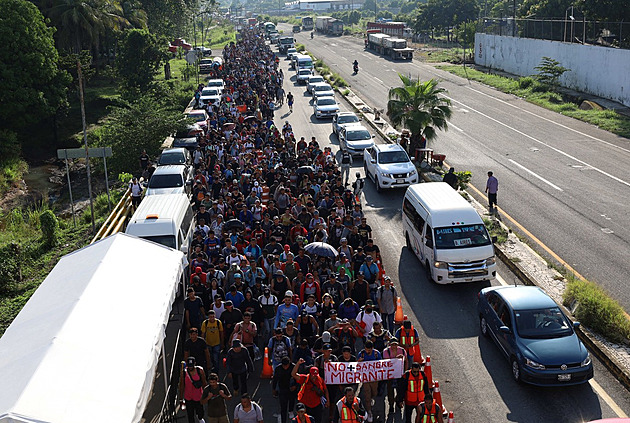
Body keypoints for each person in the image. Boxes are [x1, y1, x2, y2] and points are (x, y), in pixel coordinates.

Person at [292, 359, 330, 423]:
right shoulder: (305, 378)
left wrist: (328, 401)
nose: (314, 377)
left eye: (315, 375)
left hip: (317, 405)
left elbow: (325, 390)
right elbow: (293, 374)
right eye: (313, 375)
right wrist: (298, 363)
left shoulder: (320, 380)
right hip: (306, 405)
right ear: (310, 373)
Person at [357, 341, 381, 422]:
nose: (367, 351)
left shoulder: (376, 354)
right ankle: (369, 411)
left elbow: (381, 364)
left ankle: (370, 399)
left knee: (374, 393)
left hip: (374, 378)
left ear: (372, 348)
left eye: (369, 350)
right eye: (366, 350)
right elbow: (357, 366)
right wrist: (359, 362)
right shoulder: (361, 354)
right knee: (367, 395)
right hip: (366, 378)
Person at [180, 356, 207, 423]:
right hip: (188, 397)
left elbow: (204, 382)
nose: (190, 367)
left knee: (200, 413)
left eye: (192, 366)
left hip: (198, 396)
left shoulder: (200, 370)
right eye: (189, 366)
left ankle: (200, 418)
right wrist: (181, 398)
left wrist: (206, 395)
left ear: (195, 363)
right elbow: (182, 385)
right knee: (190, 415)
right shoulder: (184, 373)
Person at [382, 339, 407, 412]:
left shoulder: (402, 350)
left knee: (400, 390)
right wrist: (396, 359)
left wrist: (405, 372)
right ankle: (391, 405)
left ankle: (398, 401)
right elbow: (387, 362)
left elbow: (406, 361)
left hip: (400, 374)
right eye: (392, 344)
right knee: (390, 391)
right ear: (389, 344)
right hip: (390, 375)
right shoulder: (386, 351)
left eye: (395, 344)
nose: (394, 346)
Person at [273, 356, 298, 423]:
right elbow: (275, 379)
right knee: (283, 406)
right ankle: (283, 420)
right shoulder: (278, 369)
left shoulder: (293, 367)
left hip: (291, 388)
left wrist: (295, 386)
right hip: (282, 388)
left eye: (286, 365)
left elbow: (298, 378)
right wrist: (274, 389)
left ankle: (290, 411)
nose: (285, 367)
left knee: (292, 400)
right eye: (284, 366)